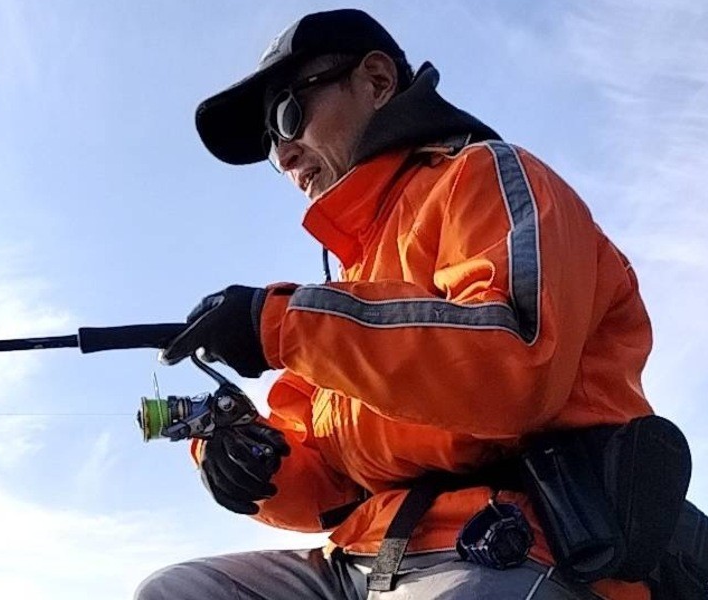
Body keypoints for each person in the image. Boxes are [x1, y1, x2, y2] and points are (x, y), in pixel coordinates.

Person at [135, 8, 656, 600]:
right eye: (270, 142)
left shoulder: (487, 177)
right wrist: (252, 463)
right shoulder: (348, 285)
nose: (284, 154)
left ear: (377, 81)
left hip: (518, 544)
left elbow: (515, 365)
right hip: (370, 552)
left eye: (288, 114)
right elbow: (330, 481)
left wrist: (282, 325)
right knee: (176, 590)